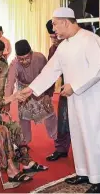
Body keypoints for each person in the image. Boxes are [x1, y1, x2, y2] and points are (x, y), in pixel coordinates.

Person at [19, 7, 100, 193]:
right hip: (76, 101)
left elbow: (98, 69)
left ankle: (99, 181)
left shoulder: (91, 39)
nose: (54, 29)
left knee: (94, 137)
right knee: (78, 135)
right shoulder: (65, 46)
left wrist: (74, 86)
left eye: (55, 24)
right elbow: (50, 71)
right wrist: (30, 89)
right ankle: (84, 172)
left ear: (66, 22)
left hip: (94, 100)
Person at [4, 39, 58, 150]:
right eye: (20, 59)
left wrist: (49, 93)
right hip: (24, 92)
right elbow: (10, 83)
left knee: (49, 114)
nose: (23, 61)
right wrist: (7, 101)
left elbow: (49, 76)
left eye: (26, 58)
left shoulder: (39, 58)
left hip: (41, 89)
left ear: (31, 53)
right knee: (23, 118)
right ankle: (24, 141)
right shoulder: (14, 64)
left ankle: (57, 137)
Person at [45, 19, 70, 161]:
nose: (53, 39)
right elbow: (50, 73)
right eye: (51, 37)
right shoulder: (53, 50)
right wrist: (48, 93)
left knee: (79, 123)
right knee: (62, 119)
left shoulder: (73, 45)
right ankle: (61, 149)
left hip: (83, 90)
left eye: (55, 36)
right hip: (65, 90)